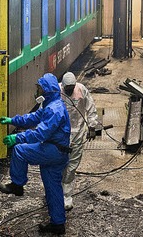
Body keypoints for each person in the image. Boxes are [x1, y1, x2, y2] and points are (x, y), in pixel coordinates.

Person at [0, 73, 71, 235]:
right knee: (53, 188)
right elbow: (34, 118)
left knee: (20, 150)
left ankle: (17, 185)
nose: (37, 91)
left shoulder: (54, 109)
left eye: (39, 88)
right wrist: (13, 120)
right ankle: (58, 224)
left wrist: (18, 137)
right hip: (58, 152)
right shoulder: (51, 104)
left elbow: (40, 134)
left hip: (54, 151)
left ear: (46, 90)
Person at [59, 72, 98, 211]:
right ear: (63, 86)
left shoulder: (81, 89)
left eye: (72, 88)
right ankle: (55, 191)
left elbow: (91, 108)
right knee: (59, 164)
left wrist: (92, 126)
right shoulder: (56, 91)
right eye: (67, 88)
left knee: (72, 165)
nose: (70, 91)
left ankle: (67, 195)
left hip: (78, 134)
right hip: (61, 135)